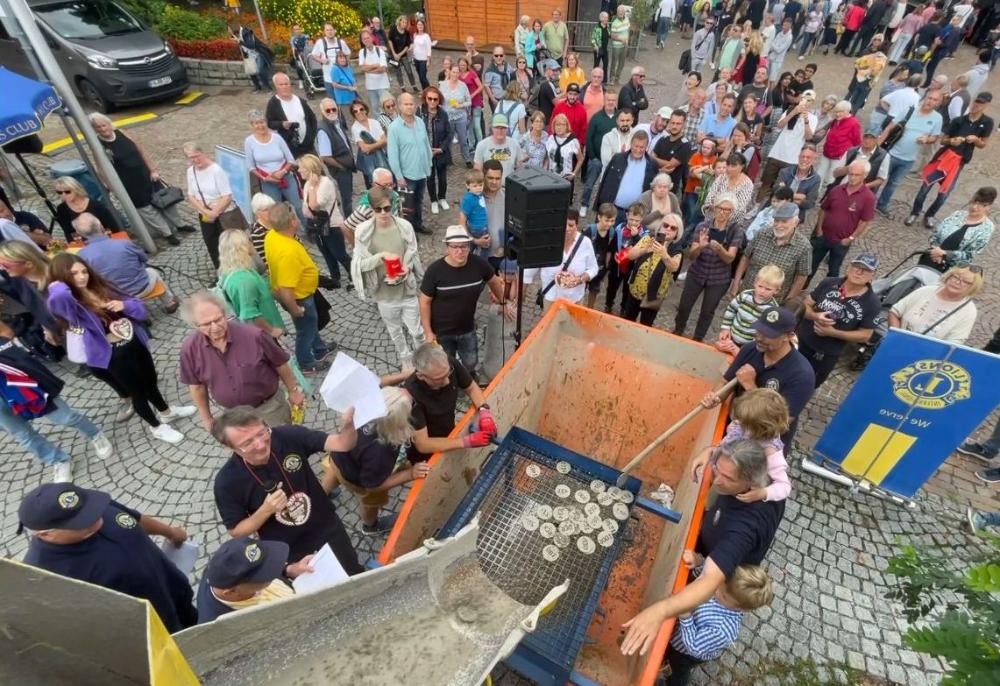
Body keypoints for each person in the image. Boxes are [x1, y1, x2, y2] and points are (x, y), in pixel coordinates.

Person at [619, 440, 784, 659]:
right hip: (710, 557)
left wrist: (660, 611)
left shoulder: (744, 528)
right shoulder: (767, 472)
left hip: (726, 572)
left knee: (678, 657)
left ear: (751, 482)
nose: (717, 480)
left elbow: (710, 579)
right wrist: (709, 452)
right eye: (719, 470)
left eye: (728, 478)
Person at [46, 253, 195, 444]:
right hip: (112, 354)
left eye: (84, 271)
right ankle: (156, 427)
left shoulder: (100, 287)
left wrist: (123, 305)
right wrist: (57, 283)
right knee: (137, 392)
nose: (82, 277)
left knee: (150, 380)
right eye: (74, 274)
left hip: (132, 341)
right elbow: (56, 298)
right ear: (63, 278)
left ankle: (166, 412)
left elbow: (139, 307)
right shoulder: (71, 304)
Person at [19, 483, 196, 632]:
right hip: (150, 626)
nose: (98, 520)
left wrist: (170, 532)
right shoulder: (45, 576)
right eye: (82, 523)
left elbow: (136, 519)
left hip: (172, 587)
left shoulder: (92, 507)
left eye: (91, 512)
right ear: (45, 535)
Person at [211, 405, 363, 574]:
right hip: (287, 548)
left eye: (262, 433)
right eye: (247, 443)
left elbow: (343, 444)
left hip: (326, 526)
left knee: (352, 572)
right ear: (229, 447)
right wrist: (266, 510)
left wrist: (348, 425)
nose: (261, 445)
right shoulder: (226, 482)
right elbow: (237, 531)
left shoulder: (287, 436)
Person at [180, 291, 304, 432]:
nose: (215, 327)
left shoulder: (254, 336)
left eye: (218, 319)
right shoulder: (189, 349)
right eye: (206, 324)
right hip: (234, 416)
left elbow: (280, 363)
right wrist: (207, 418)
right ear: (195, 325)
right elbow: (196, 386)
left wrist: (293, 391)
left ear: (225, 313)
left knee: (282, 442)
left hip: (270, 408)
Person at [0, 337, 113, 481]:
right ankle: (59, 461)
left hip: (16, 382)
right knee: (23, 436)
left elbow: (7, 334)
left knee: (66, 417)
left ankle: (95, 434)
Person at [89, 113, 193, 245]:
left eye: (104, 125)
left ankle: (180, 224)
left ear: (109, 124)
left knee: (165, 201)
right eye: (98, 127)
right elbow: (101, 169)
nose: (103, 129)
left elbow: (141, 150)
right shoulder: (99, 145)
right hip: (128, 183)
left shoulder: (121, 133)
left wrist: (153, 169)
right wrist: (112, 187)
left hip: (146, 174)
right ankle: (167, 233)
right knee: (146, 209)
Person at [420, 226, 512, 374]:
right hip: (441, 332)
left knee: (471, 362)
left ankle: (469, 381)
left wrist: (502, 302)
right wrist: (428, 332)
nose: (459, 251)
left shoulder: (479, 264)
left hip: (467, 328)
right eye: (455, 247)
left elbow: (494, 281)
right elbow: (425, 301)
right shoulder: (434, 271)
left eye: (463, 246)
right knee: (446, 366)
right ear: (447, 248)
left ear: (469, 247)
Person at [351, 186, 425, 366]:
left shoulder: (404, 226)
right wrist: (381, 257)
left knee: (417, 332)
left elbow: (412, 251)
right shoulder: (363, 231)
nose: (383, 213)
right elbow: (359, 264)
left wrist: (406, 269)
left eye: (387, 208)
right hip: (383, 293)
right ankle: (405, 358)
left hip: (406, 288)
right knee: (395, 331)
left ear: (392, 206)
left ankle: (423, 358)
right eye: (378, 209)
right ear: (372, 209)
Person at [906, 92, 995, 229]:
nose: (977, 105)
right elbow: (943, 139)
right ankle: (915, 212)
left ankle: (929, 215)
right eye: (976, 101)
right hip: (943, 158)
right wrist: (951, 141)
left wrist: (976, 140)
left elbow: (983, 144)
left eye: (981, 103)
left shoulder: (987, 122)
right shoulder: (959, 120)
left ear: (986, 105)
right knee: (925, 188)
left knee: (943, 195)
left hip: (957, 163)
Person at [264, 202, 330, 375]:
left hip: (302, 293)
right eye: (296, 215)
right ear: (292, 222)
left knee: (311, 324)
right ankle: (306, 363)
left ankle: (320, 349)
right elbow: (286, 290)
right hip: (300, 298)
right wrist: (295, 309)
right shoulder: (288, 252)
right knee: (305, 330)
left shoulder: (272, 235)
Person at [401, 343, 495, 463]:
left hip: (448, 431)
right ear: (420, 375)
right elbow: (423, 444)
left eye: (448, 374)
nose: (447, 382)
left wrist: (484, 410)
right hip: (426, 452)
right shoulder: (411, 395)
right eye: (439, 378)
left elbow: (471, 387)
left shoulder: (447, 364)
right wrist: (465, 442)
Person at [797, 253, 880, 387]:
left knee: (806, 385)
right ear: (848, 267)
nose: (859, 272)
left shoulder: (872, 303)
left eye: (866, 270)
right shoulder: (828, 283)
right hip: (800, 341)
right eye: (856, 266)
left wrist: (832, 333)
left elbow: (865, 335)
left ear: (873, 275)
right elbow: (805, 305)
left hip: (825, 354)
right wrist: (815, 316)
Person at [73, 214, 179, 312]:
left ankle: (138, 313)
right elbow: (144, 259)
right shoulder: (124, 243)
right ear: (101, 226)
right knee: (152, 271)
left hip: (115, 298)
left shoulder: (81, 256)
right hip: (143, 287)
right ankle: (170, 302)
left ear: (79, 234)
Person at [674, 194, 743, 341]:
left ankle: (698, 339)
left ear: (732, 212)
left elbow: (730, 258)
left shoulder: (736, 231)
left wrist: (719, 249)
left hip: (718, 278)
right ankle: (677, 331)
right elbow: (692, 256)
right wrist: (700, 247)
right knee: (684, 306)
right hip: (697, 272)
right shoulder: (702, 226)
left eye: (728, 210)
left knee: (707, 311)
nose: (723, 212)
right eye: (721, 208)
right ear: (714, 208)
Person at [196, 536, 313, 623]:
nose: (272, 575)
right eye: (266, 575)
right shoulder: (224, 627)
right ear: (231, 592)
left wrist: (288, 569)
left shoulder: (220, 568)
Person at [875, 91, 943, 215]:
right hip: (892, 153)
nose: (930, 101)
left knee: (893, 184)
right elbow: (890, 127)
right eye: (929, 98)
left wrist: (927, 139)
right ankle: (867, 202)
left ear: (938, 103)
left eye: (934, 100)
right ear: (925, 98)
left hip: (909, 159)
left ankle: (882, 205)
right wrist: (877, 147)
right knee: (878, 179)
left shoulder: (937, 118)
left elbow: (935, 137)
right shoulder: (909, 111)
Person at [732, 203, 811, 304]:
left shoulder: (804, 246)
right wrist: (736, 283)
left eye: (784, 221)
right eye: (776, 220)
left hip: (773, 302)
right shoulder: (762, 233)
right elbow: (745, 258)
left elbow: (802, 276)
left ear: (796, 222)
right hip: (747, 293)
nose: (778, 225)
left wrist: (788, 302)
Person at [184, 142, 246, 269]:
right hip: (205, 214)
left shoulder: (216, 170)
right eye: (191, 158)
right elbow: (191, 196)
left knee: (231, 245)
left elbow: (227, 196)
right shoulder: (190, 172)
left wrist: (214, 212)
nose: (195, 160)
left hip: (224, 214)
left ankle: (239, 270)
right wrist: (205, 212)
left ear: (202, 153)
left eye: (197, 156)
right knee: (212, 244)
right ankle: (221, 273)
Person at [811, 160, 875, 278]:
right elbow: (823, 209)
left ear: (865, 176)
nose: (852, 177)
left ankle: (828, 291)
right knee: (812, 264)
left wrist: (850, 238)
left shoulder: (868, 197)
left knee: (834, 270)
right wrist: (819, 230)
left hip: (842, 241)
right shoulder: (837, 190)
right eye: (851, 174)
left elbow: (865, 221)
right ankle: (802, 287)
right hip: (824, 236)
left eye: (857, 175)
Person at [523, 210, 599, 309]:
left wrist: (580, 279)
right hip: (552, 299)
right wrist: (522, 292)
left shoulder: (585, 243)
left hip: (575, 299)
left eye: (571, 225)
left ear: (577, 225)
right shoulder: (545, 242)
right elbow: (528, 271)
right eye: (563, 225)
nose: (567, 229)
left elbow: (593, 268)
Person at [888, 266, 982, 345]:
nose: (957, 282)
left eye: (965, 282)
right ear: (949, 277)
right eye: (956, 277)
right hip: (895, 343)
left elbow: (954, 343)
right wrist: (897, 337)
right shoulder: (926, 291)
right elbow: (895, 312)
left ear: (973, 287)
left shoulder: (969, 311)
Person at [244, 109, 305, 228]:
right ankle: (283, 230)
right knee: (275, 210)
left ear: (266, 122)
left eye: (262, 122)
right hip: (268, 182)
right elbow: (251, 166)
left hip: (286, 178)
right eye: (256, 123)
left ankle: (309, 230)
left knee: (298, 205)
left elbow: (290, 159)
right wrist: (265, 178)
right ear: (251, 125)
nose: (260, 126)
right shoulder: (249, 142)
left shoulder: (277, 138)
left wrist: (282, 172)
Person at [216, 229, 284, 336]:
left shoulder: (228, 271)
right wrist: (271, 331)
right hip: (261, 335)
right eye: (249, 241)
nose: (251, 243)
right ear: (243, 248)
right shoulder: (244, 280)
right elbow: (250, 314)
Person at [300, 153, 351, 290]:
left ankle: (354, 275)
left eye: (302, 168)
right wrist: (310, 189)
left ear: (310, 169)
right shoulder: (306, 185)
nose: (299, 171)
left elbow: (314, 205)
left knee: (339, 254)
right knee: (326, 253)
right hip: (317, 226)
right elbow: (305, 210)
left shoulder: (325, 183)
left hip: (332, 225)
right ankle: (335, 277)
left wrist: (311, 188)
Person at [622, 213, 683, 324]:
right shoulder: (648, 237)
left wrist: (664, 255)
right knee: (628, 321)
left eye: (673, 228)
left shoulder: (676, 249)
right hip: (636, 289)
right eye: (665, 225)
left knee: (646, 325)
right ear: (660, 226)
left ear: (677, 233)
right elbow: (630, 256)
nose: (668, 229)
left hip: (654, 296)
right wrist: (644, 250)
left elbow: (674, 267)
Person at [918, 187, 996, 273]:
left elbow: (970, 255)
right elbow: (935, 235)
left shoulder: (987, 228)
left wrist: (944, 254)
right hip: (931, 258)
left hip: (952, 272)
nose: (974, 207)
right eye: (974, 202)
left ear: (988, 207)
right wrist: (936, 251)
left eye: (981, 205)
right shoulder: (957, 215)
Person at [756, 92, 817, 202]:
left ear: (812, 103)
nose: (805, 102)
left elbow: (809, 137)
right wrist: (793, 112)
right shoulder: (789, 110)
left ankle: (771, 207)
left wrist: (806, 120)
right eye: (804, 98)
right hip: (776, 154)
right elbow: (779, 125)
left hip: (792, 159)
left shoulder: (813, 118)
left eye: (809, 100)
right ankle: (756, 206)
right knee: (765, 183)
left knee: (781, 187)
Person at [388, 93, 434, 235]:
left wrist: (429, 164)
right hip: (406, 175)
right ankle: (409, 232)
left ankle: (418, 224)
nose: (409, 107)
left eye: (411, 104)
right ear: (400, 106)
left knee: (419, 201)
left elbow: (426, 144)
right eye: (406, 104)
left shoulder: (420, 121)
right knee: (407, 206)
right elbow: (392, 154)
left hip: (421, 171)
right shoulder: (394, 128)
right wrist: (399, 176)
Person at [716, 265, 784, 354]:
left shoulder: (773, 310)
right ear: (755, 282)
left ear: (776, 291)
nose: (762, 291)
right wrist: (725, 328)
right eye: (760, 286)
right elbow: (731, 310)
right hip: (731, 336)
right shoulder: (744, 295)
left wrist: (745, 349)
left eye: (768, 289)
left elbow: (764, 332)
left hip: (750, 345)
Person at [594, 131, 659, 222]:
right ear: (631, 144)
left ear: (646, 147)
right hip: (612, 211)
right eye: (636, 146)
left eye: (642, 147)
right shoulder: (618, 159)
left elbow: (652, 190)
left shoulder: (652, 164)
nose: (638, 150)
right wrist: (598, 208)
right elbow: (605, 183)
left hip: (635, 216)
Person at [315, 98, 358, 220]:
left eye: (333, 109)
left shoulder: (336, 122)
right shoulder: (323, 130)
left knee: (349, 194)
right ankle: (350, 222)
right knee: (347, 198)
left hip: (345, 166)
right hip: (340, 170)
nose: (331, 112)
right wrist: (341, 166)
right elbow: (325, 157)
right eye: (327, 110)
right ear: (322, 112)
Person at [265, 73, 317, 159]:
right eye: (281, 85)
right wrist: (282, 124)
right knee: (300, 171)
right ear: (276, 86)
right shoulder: (273, 103)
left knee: (316, 169)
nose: (284, 87)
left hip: (308, 145)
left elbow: (312, 118)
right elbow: (270, 123)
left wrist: (312, 136)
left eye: (286, 84)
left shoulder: (299, 100)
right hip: (291, 146)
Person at [815, 101, 862, 189]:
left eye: (840, 112)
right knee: (819, 174)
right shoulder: (835, 121)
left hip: (839, 155)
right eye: (836, 112)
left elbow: (857, 142)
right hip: (827, 151)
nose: (837, 114)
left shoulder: (854, 123)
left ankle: (828, 197)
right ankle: (814, 193)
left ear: (848, 111)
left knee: (832, 178)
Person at [701, 153, 755, 226]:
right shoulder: (722, 177)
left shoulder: (747, 184)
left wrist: (722, 215)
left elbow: (740, 208)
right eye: (728, 165)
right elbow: (710, 195)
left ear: (742, 166)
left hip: (731, 224)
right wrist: (711, 207)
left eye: (733, 166)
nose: (729, 168)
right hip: (711, 219)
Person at [349, 100, 389, 190]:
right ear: (353, 114)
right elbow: (364, 149)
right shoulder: (355, 127)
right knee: (372, 186)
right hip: (368, 161)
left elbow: (385, 140)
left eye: (361, 109)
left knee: (386, 181)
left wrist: (372, 146)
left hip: (381, 158)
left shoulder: (374, 122)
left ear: (366, 110)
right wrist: (379, 144)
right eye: (355, 111)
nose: (359, 112)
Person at [441, 65, 474, 168]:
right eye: (453, 72)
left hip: (460, 117)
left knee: (463, 139)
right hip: (448, 117)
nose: (455, 74)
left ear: (459, 74)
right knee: (449, 139)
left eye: (457, 72)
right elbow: (439, 100)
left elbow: (469, 101)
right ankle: (448, 159)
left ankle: (467, 159)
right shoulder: (443, 85)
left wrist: (460, 105)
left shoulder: (463, 86)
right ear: (449, 72)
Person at [474, 114, 523, 179]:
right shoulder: (482, 145)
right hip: (488, 186)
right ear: (492, 128)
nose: (500, 131)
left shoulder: (515, 144)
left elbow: (520, 168)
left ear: (507, 129)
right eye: (497, 128)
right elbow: (477, 170)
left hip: (508, 186)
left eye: (503, 128)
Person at [311, 23, 351, 100]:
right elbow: (314, 55)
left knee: (345, 100)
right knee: (333, 101)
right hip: (328, 79)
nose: (330, 32)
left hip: (342, 78)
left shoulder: (341, 42)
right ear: (324, 32)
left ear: (335, 31)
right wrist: (322, 60)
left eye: (331, 30)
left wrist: (345, 63)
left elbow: (348, 53)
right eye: (327, 30)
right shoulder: (320, 42)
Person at [545, 113, 584, 191]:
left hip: (566, 179)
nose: (559, 127)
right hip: (551, 177)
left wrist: (574, 174)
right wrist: (545, 169)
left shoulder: (573, 141)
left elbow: (580, 159)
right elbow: (548, 157)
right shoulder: (551, 139)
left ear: (567, 126)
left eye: (562, 125)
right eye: (557, 125)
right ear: (553, 126)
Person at [232, 20, 272, 92]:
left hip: (258, 53)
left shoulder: (247, 32)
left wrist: (239, 41)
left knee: (260, 70)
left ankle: (268, 87)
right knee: (251, 71)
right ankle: (257, 87)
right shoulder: (236, 34)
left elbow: (251, 45)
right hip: (249, 55)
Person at [459, 169, 490, 256]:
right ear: (467, 186)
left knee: (474, 249)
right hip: (477, 229)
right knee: (485, 248)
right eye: (475, 186)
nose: (478, 188)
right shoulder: (468, 199)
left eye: (481, 185)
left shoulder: (479, 194)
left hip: (483, 226)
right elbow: (462, 220)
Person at [358, 29, 391, 111]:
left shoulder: (380, 51)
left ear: (372, 38)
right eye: (364, 39)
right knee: (375, 109)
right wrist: (375, 65)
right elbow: (362, 68)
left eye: (367, 37)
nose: (366, 40)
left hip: (383, 85)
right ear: (362, 41)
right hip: (371, 86)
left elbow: (383, 69)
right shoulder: (362, 52)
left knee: (386, 108)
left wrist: (368, 69)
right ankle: (378, 124)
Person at [387, 15, 418, 92]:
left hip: (403, 55)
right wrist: (394, 54)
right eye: (403, 22)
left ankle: (414, 86)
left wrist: (400, 54)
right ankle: (402, 87)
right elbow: (390, 41)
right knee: (398, 72)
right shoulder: (393, 29)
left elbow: (407, 46)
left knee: (409, 70)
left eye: (406, 22)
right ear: (399, 21)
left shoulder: (407, 33)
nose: (404, 24)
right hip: (393, 55)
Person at [248, 192, 275, 267]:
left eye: (272, 208)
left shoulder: (277, 221)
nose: (270, 212)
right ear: (257, 213)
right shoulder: (257, 232)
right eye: (266, 210)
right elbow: (264, 259)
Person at [609, 5, 632, 85]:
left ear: (624, 12)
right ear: (617, 12)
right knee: (614, 63)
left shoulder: (627, 19)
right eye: (619, 12)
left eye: (622, 11)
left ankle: (617, 78)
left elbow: (628, 30)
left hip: (625, 45)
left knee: (622, 63)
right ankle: (611, 79)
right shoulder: (615, 22)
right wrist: (621, 39)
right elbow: (612, 36)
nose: (621, 13)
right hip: (617, 46)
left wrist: (627, 40)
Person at [411, 19, 433, 90]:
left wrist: (428, 60)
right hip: (416, 59)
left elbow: (429, 49)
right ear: (416, 26)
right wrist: (413, 58)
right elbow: (414, 47)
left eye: (421, 25)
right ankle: (424, 91)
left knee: (423, 77)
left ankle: (430, 90)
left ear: (423, 26)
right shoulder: (415, 35)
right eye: (418, 25)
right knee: (420, 77)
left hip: (424, 60)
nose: (420, 26)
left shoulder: (426, 36)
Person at [592, 11, 611, 78]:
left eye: (607, 18)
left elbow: (609, 35)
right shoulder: (596, 28)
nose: (606, 19)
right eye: (605, 17)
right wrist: (595, 46)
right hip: (598, 49)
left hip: (605, 49)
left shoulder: (608, 27)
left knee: (605, 65)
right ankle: (594, 77)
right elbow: (593, 39)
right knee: (596, 65)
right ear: (601, 18)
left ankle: (604, 80)